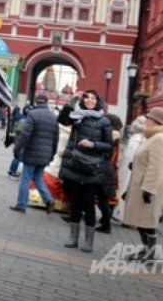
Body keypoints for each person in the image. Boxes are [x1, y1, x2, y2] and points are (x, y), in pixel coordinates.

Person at [58, 89, 113, 253]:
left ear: (98, 101)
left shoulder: (104, 121)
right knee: (75, 202)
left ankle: (89, 241)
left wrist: (92, 145)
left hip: (92, 168)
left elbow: (109, 146)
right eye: (87, 97)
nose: (90, 100)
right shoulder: (77, 116)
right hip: (75, 164)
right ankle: (73, 237)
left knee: (89, 204)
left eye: (93, 98)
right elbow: (61, 119)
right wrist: (72, 100)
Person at [122, 107, 163, 262]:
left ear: (156, 122)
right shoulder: (153, 137)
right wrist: (135, 164)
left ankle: (150, 254)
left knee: (147, 221)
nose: (146, 121)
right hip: (143, 182)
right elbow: (147, 159)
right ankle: (146, 251)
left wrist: (149, 189)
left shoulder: (159, 139)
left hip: (149, 185)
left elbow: (156, 166)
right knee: (142, 220)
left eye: (149, 118)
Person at [10, 94, 59, 214]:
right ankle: (48, 199)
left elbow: (25, 135)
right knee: (38, 178)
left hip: (31, 153)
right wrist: (52, 155)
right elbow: (55, 139)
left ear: (36, 102)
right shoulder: (53, 117)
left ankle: (21, 205)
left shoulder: (33, 114)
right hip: (45, 155)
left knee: (25, 178)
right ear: (47, 102)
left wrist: (17, 149)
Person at [113, 115, 147, 222]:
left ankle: (122, 213)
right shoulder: (140, 138)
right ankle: (122, 213)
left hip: (129, 169)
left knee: (125, 189)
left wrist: (121, 164)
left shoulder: (136, 139)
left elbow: (129, 156)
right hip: (131, 168)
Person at [94, 113, 123, 233]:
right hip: (108, 170)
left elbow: (108, 155)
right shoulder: (114, 135)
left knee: (102, 198)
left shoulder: (112, 136)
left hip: (105, 170)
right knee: (102, 198)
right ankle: (105, 222)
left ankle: (106, 224)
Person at [7, 106, 26, 177]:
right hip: (25, 141)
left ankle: (11, 170)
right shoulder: (30, 120)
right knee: (21, 158)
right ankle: (17, 172)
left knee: (16, 157)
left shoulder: (20, 119)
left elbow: (15, 129)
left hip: (17, 139)